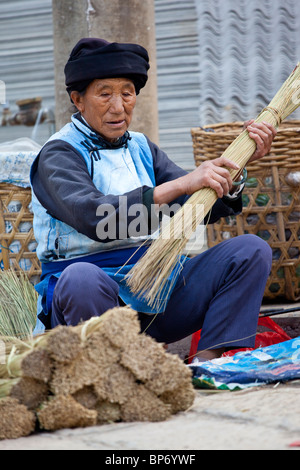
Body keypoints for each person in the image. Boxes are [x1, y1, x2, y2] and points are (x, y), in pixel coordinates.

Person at [30, 38, 277, 361]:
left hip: (155, 283)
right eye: (105, 94)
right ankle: (112, 370)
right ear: (78, 100)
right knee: (80, 279)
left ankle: (210, 363)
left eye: (127, 93)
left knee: (249, 251)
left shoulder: (141, 148)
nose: (118, 107)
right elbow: (95, 218)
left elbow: (198, 206)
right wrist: (178, 185)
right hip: (93, 300)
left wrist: (239, 165)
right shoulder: (59, 153)